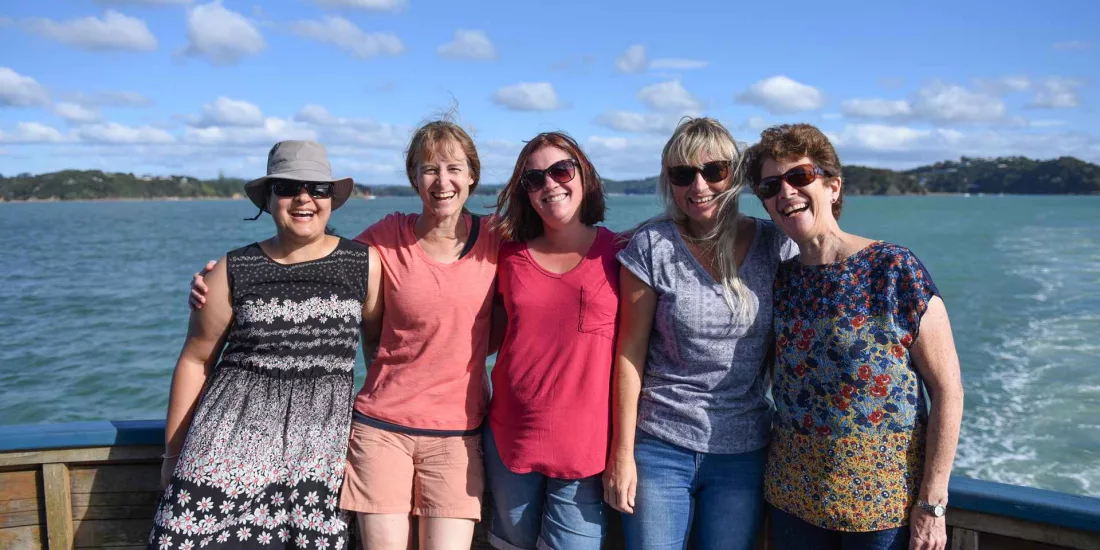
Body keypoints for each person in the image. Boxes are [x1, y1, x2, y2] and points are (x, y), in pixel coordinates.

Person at [190, 120, 501, 550]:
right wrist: (224, 278)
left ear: (472, 175)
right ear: (413, 178)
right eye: (429, 169)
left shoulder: (500, 241)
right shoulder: (386, 237)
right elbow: (316, 257)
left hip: (458, 436)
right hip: (381, 428)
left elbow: (543, 287)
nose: (442, 181)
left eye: (453, 168)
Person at [745, 123, 964, 550]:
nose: (785, 192)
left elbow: (949, 390)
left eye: (800, 176)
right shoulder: (781, 279)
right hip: (794, 497)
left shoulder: (893, 269)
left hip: (883, 504)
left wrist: (933, 503)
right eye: (771, 185)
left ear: (833, 186)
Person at [150, 140, 376, 550]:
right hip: (224, 447)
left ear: (332, 200)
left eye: (317, 188)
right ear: (269, 199)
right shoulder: (232, 268)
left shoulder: (365, 264)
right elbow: (195, 361)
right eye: (288, 188)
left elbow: (379, 359)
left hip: (317, 451)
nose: (304, 198)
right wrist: (172, 455)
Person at [604, 117, 796, 550]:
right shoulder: (653, 247)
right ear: (668, 181)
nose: (699, 185)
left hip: (744, 452)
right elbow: (629, 354)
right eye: (682, 174)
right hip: (659, 446)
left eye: (714, 171)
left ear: (734, 175)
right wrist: (622, 454)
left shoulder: (774, 245)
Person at [484, 132, 618, 550]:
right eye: (534, 179)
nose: (550, 185)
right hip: (510, 438)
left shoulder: (621, 252)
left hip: (587, 450)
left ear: (584, 175)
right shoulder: (507, 255)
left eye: (561, 170)